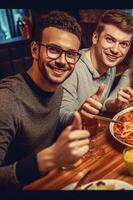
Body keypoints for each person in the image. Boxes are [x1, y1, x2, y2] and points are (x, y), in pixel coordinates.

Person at [0, 11, 90, 188]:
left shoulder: (59, 88)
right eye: (54, 50)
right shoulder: (6, 100)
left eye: (71, 54)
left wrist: (78, 117)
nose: (63, 61)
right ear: (35, 50)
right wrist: (46, 159)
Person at [60, 10, 133, 127]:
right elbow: (61, 116)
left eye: (123, 44)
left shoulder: (110, 65)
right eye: (110, 40)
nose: (115, 50)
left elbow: (101, 105)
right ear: (95, 38)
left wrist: (114, 103)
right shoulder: (71, 67)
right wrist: (80, 115)